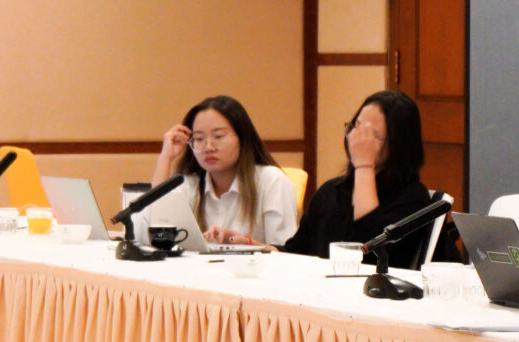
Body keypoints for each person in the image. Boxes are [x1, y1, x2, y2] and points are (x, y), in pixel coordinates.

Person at [285, 90, 436, 267]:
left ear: (399, 144)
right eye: (356, 127)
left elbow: (368, 251)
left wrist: (364, 165)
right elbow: (296, 252)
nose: (358, 139)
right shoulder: (330, 192)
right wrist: (263, 250)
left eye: (373, 135)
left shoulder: (413, 199)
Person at [142, 95, 299, 248]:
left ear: (243, 138)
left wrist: (247, 243)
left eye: (219, 136)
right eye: (199, 139)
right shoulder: (189, 185)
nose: (208, 147)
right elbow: (155, 231)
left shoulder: (271, 181)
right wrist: (165, 158)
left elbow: (286, 252)